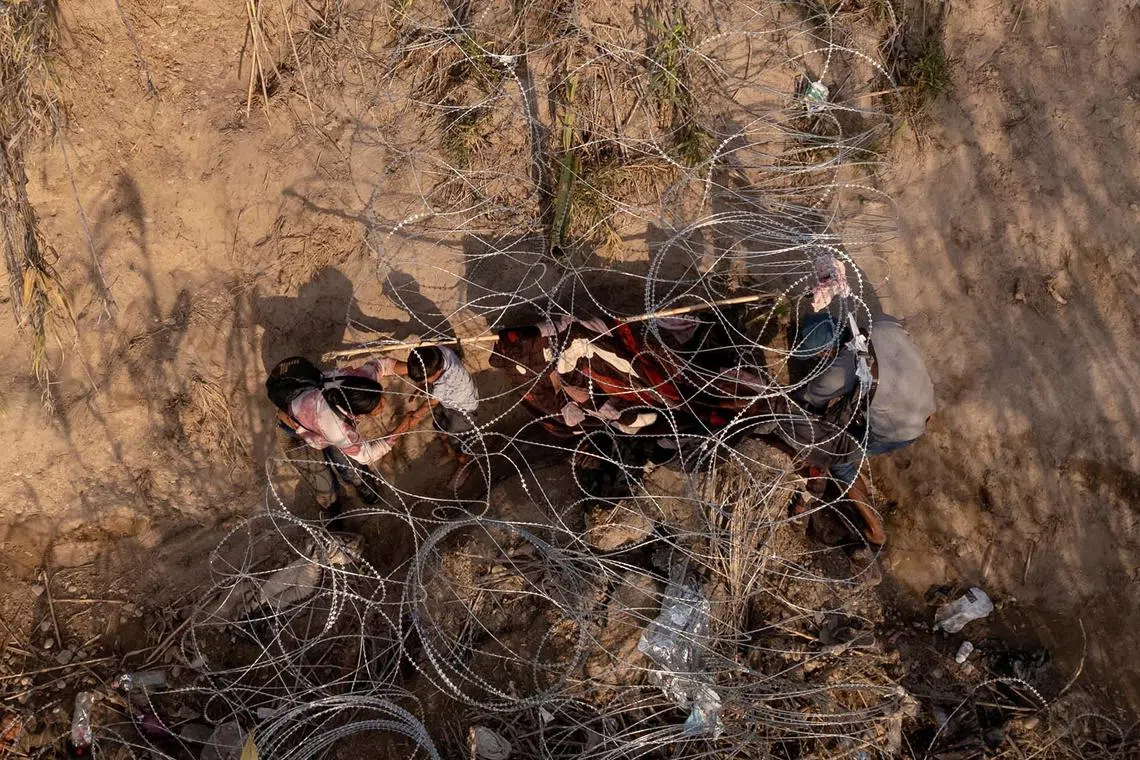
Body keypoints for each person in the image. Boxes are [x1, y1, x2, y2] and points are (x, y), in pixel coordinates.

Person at [792, 312, 936, 485]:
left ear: (826, 351)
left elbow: (810, 400)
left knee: (837, 458)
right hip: (926, 403)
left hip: (901, 431)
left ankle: (865, 504)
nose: (819, 359)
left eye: (818, 356)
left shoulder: (839, 373)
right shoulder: (882, 322)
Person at [266, 355, 406, 518]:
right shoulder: (338, 428)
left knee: (349, 466)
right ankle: (333, 509)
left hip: (316, 417)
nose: (384, 404)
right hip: (295, 432)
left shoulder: (356, 382)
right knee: (320, 478)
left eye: (380, 397)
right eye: (378, 407)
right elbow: (367, 456)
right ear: (356, 412)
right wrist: (404, 427)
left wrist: (420, 367)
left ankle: (361, 483)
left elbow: (383, 365)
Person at [397, 345, 479, 486]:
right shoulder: (436, 353)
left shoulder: (448, 377)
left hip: (462, 410)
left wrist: (415, 417)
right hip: (447, 401)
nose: (424, 383)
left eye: (426, 380)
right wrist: (423, 387)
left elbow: (432, 403)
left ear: (438, 371)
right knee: (440, 426)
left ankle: (465, 464)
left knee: (459, 442)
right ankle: (449, 452)